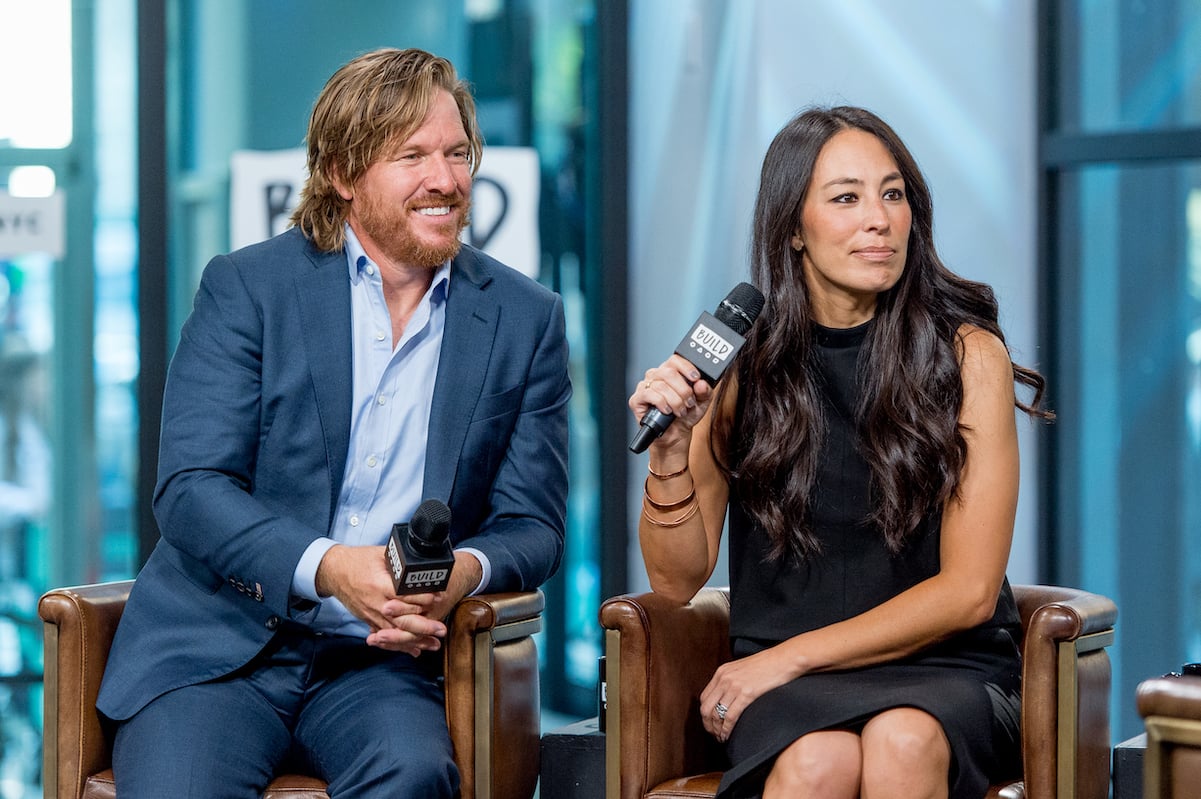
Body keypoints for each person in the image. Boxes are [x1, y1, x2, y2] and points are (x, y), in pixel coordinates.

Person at [99, 47, 570, 799]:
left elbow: (533, 525)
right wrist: (329, 567)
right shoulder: (249, 287)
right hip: (218, 649)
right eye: (411, 156)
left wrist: (460, 574)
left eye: (456, 154)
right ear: (343, 173)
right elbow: (190, 489)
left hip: (380, 665)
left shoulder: (525, 318)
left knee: (414, 775)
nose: (445, 180)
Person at [627, 106, 1050, 799]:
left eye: (892, 194)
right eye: (846, 198)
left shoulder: (966, 354)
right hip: (787, 680)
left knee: (901, 741)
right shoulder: (740, 364)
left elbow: (970, 592)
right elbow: (676, 581)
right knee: (816, 762)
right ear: (793, 228)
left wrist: (787, 660)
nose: (878, 219)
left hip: (946, 668)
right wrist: (669, 453)